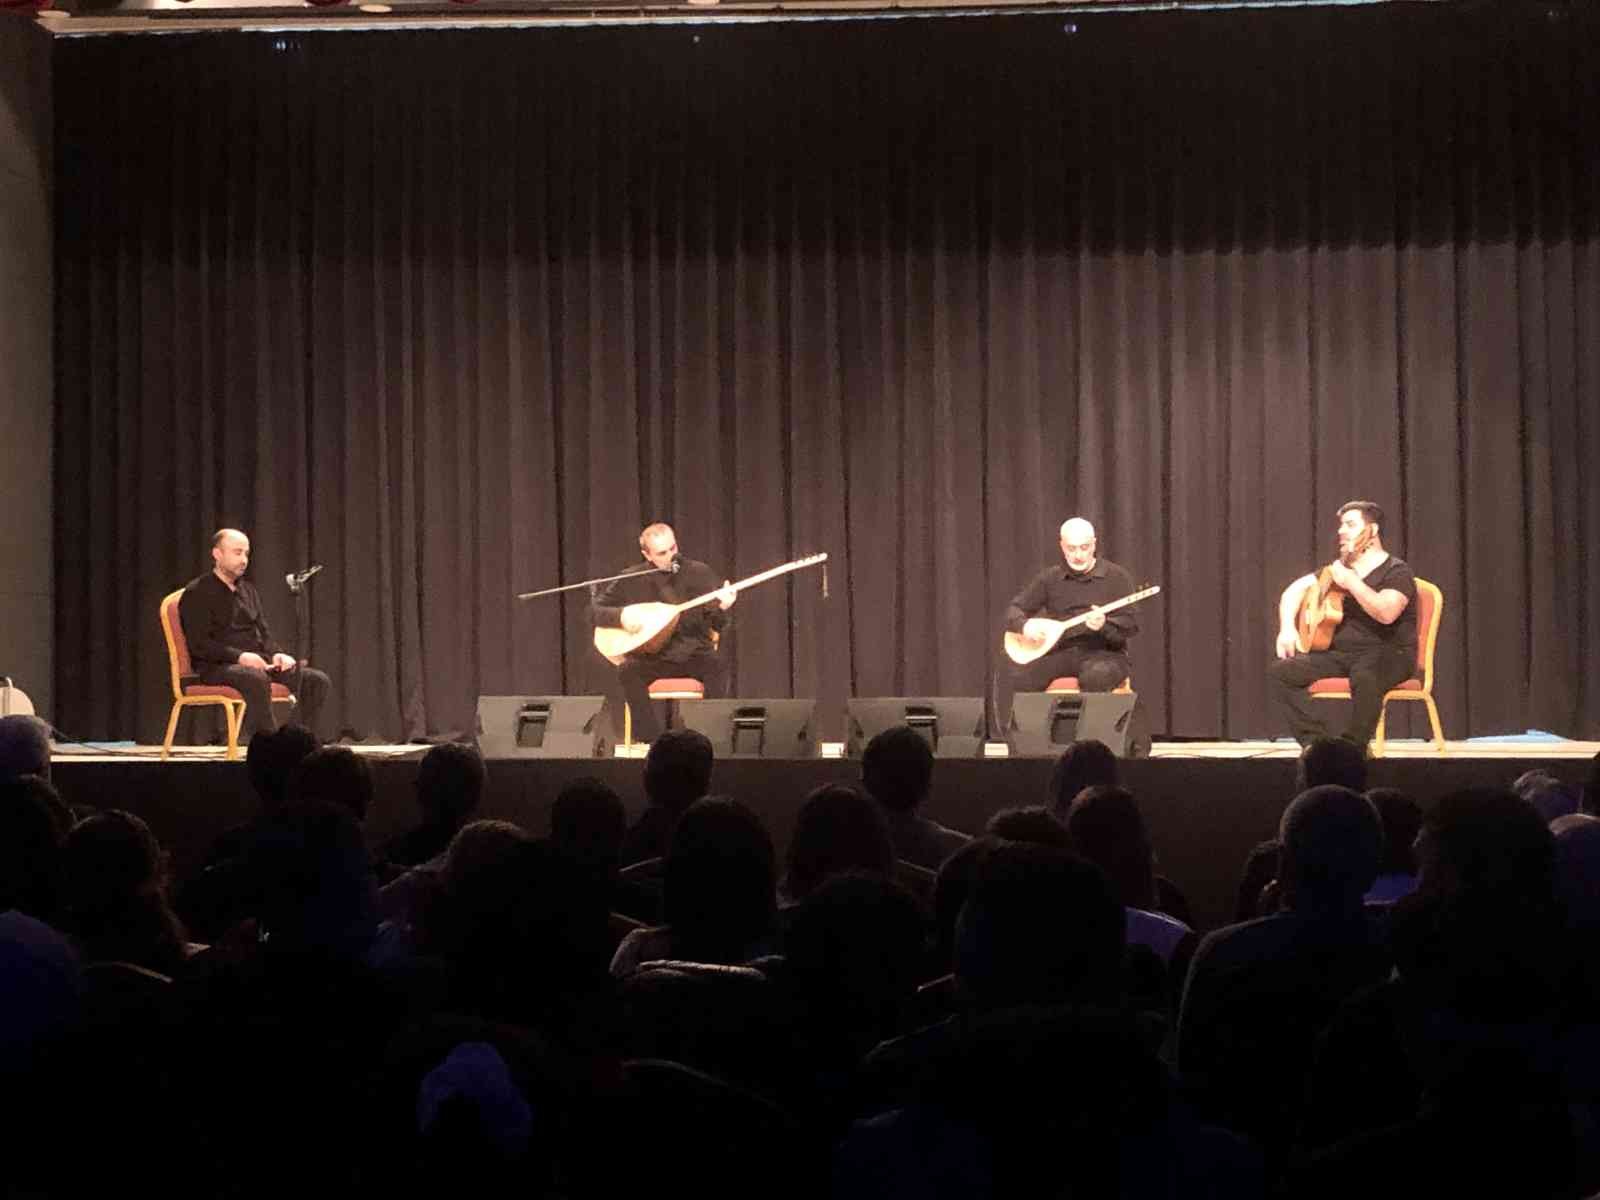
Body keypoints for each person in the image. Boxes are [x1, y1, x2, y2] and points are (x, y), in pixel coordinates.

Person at [1269, 501, 1416, 749]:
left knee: (1365, 675)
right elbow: (1293, 591)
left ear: (1372, 530)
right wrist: (1287, 628)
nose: (1341, 531)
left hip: (1389, 653)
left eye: (1350, 524)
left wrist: (1352, 582)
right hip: (1341, 655)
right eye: (1341, 525)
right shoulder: (1334, 571)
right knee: (1282, 672)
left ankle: (1353, 749)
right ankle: (1317, 745)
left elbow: (1387, 613)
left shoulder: (1396, 571)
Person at [179, 528, 331, 740]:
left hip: (258, 663)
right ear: (217, 554)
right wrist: (240, 657)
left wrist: (277, 653)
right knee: (255, 678)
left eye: (246, 554)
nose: (243, 560)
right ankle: (269, 746)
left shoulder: (248, 590)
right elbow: (200, 644)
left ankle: (295, 740)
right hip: (217, 666)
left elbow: (263, 632)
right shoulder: (197, 592)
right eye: (237, 552)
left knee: (316, 680)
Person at [592, 523, 735, 745]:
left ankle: (707, 740)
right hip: (652, 657)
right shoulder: (631, 578)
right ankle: (652, 742)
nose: (671, 556)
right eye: (662, 553)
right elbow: (594, 612)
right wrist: (621, 617)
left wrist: (723, 608)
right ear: (646, 554)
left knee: (718, 666)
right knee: (628, 671)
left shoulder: (700, 572)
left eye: (673, 548)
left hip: (693, 653)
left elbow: (718, 624)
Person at [1004, 518, 1140, 695]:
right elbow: (1014, 610)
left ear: (1094, 544)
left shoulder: (1116, 577)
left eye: (1084, 547)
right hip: (1061, 652)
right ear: (1062, 546)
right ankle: (1036, 723)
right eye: (1071, 548)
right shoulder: (1050, 578)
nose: (1078, 555)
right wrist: (1025, 626)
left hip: (1107, 654)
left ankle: (1092, 724)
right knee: (1020, 678)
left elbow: (1131, 625)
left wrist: (1103, 626)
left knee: (1096, 677)